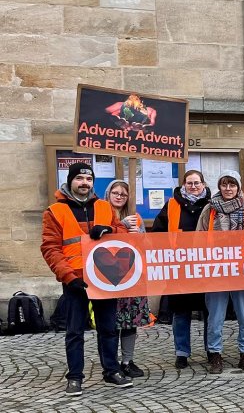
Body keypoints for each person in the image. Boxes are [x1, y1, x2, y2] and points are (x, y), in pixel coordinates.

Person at [41, 162, 131, 396]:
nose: (84, 183)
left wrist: (108, 230)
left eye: (89, 179)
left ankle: (111, 371)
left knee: (109, 328)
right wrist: (68, 277)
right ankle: (75, 377)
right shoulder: (54, 211)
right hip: (75, 280)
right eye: (79, 179)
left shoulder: (104, 206)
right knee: (74, 331)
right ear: (71, 181)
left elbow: (122, 233)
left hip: (104, 277)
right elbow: (51, 248)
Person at [196, 170, 244, 374]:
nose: (228, 189)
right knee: (215, 316)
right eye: (224, 184)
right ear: (219, 186)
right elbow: (198, 238)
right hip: (216, 270)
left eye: (232, 185)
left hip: (242, 271)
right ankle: (215, 355)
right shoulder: (209, 210)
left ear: (238, 187)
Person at [149, 169, 211, 369]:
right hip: (180, 267)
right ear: (183, 185)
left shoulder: (212, 205)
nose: (193, 186)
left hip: (206, 266)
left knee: (210, 311)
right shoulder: (171, 205)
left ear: (204, 185)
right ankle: (181, 352)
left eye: (197, 183)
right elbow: (158, 232)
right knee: (180, 312)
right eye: (189, 183)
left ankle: (212, 350)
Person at [104, 180, 151, 379]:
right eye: (115, 193)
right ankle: (111, 362)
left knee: (131, 321)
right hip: (109, 277)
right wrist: (119, 228)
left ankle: (127, 360)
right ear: (108, 194)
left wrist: (137, 234)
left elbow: (145, 245)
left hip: (133, 276)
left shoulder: (136, 219)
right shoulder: (102, 215)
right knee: (111, 322)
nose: (119, 197)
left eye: (123, 194)